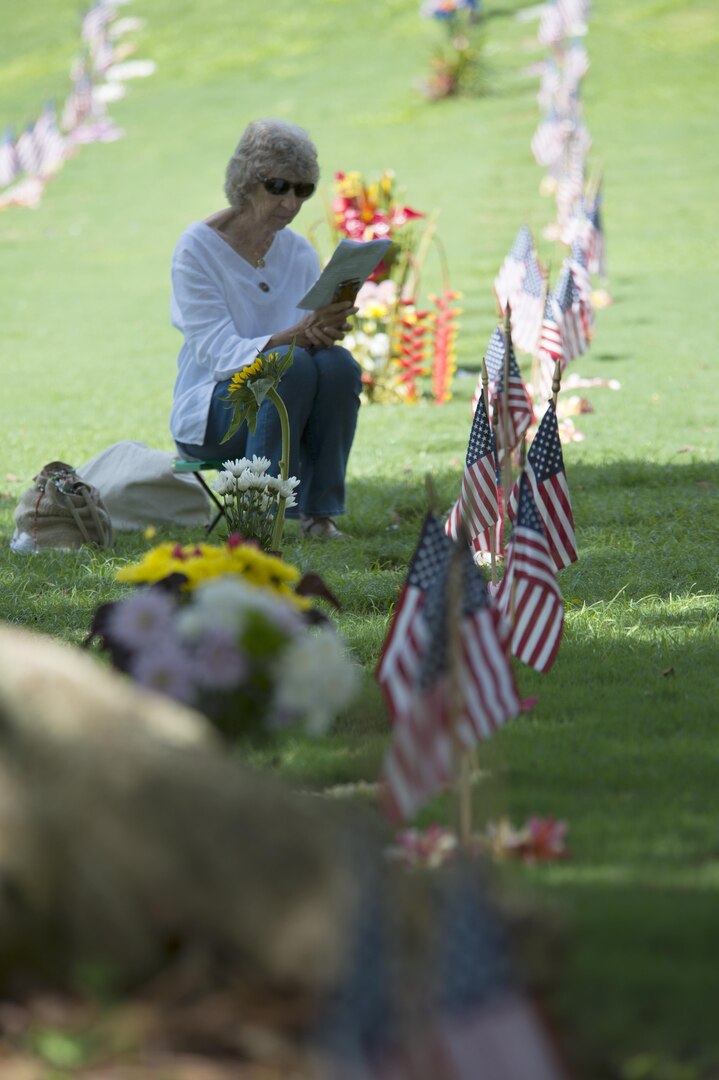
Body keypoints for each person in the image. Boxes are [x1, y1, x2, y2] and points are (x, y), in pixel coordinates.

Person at [170, 119, 362, 538]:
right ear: (245, 182)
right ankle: (259, 517)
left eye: (303, 190)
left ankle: (319, 514)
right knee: (286, 364)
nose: (290, 202)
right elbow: (217, 353)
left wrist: (323, 329)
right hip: (213, 415)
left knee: (338, 365)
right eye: (278, 186)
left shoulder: (298, 251)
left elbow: (304, 342)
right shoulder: (196, 250)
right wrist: (295, 336)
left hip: (289, 399)